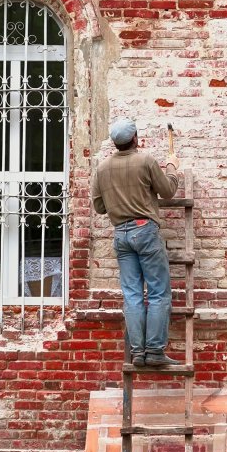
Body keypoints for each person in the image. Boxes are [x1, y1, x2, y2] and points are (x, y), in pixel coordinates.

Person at [91, 118, 181, 367]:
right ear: (135, 139)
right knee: (158, 293)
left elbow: (99, 207)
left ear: (114, 143)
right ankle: (154, 351)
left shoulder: (102, 168)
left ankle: (137, 352)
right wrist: (172, 167)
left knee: (131, 295)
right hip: (145, 230)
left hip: (121, 234)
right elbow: (168, 191)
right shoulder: (146, 161)